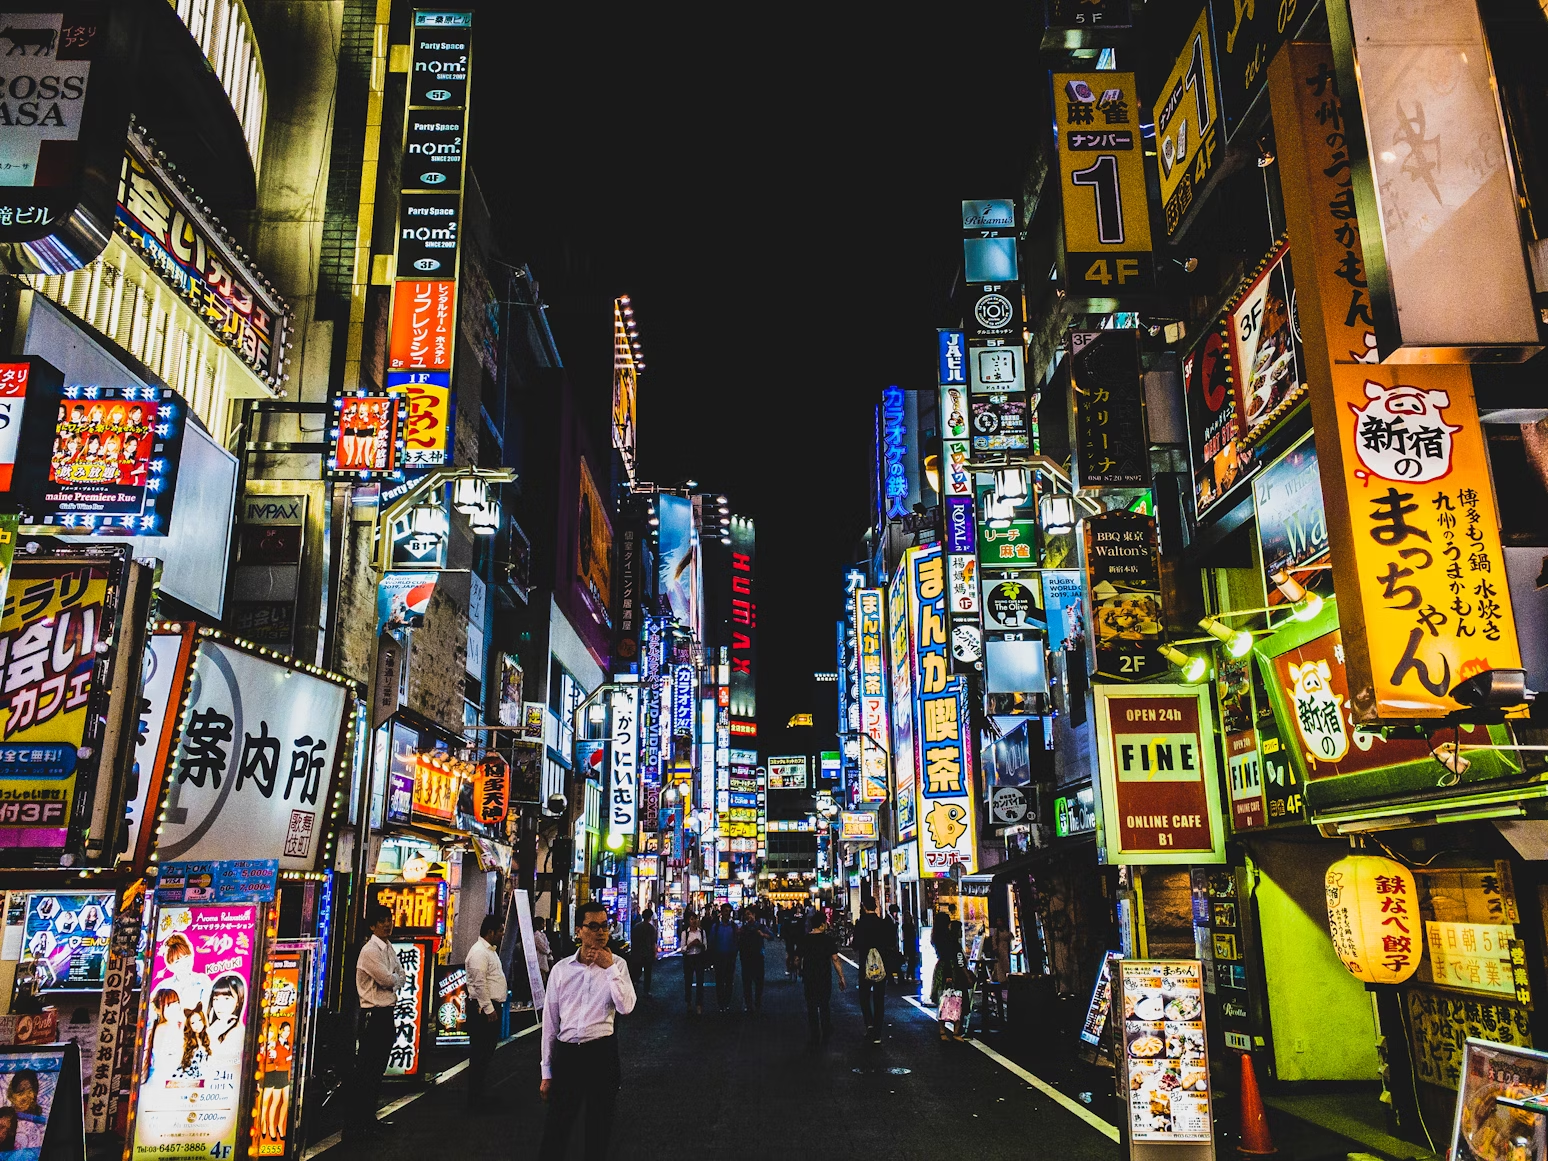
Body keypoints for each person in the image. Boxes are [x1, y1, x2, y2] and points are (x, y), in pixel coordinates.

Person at [539, 900, 636, 1161]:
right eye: (593, 926)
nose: (601, 932)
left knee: (598, 1129)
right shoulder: (561, 970)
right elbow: (550, 1023)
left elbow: (626, 1007)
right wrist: (546, 1071)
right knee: (556, 1129)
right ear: (579, 931)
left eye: (605, 926)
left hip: (601, 1053)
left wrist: (610, 969)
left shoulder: (618, 965)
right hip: (568, 1055)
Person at [346, 904, 403, 1145]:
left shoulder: (388, 947)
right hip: (373, 1015)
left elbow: (400, 975)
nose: (387, 924)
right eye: (382, 921)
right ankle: (356, 1128)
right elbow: (389, 979)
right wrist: (394, 980)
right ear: (372, 926)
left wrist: (394, 980)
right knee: (367, 1074)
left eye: (389, 919)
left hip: (386, 1014)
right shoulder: (370, 950)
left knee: (377, 1072)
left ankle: (369, 1121)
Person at [465, 913, 507, 1109]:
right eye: (499, 931)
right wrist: (489, 1009)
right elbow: (479, 984)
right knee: (480, 1054)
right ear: (490, 932)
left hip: (488, 1007)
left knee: (485, 1053)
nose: (502, 934)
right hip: (482, 1009)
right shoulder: (479, 952)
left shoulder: (489, 950)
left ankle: (478, 1094)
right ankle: (474, 1098)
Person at [798, 913, 844, 1045]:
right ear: (822, 924)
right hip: (824, 976)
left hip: (809, 977)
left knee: (811, 1005)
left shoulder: (805, 939)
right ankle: (826, 1027)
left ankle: (814, 1032)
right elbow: (835, 959)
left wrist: (798, 968)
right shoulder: (827, 940)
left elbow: (797, 958)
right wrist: (841, 977)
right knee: (824, 1004)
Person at [853, 897, 894, 1044]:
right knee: (879, 998)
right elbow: (891, 942)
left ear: (864, 907)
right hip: (881, 965)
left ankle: (869, 1024)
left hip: (865, 965)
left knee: (864, 996)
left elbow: (855, 944)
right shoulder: (883, 923)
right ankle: (877, 1033)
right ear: (876, 907)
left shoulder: (860, 924)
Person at [737, 908, 771, 1012]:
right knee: (747, 982)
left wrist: (763, 934)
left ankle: (757, 1002)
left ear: (754, 914)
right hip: (746, 958)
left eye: (749, 914)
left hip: (758, 957)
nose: (748, 916)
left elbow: (771, 936)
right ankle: (749, 1004)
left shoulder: (760, 927)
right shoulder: (743, 928)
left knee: (758, 982)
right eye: (746, 914)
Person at [706, 904, 738, 1013]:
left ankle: (727, 1002)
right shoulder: (716, 926)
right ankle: (721, 1003)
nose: (727, 913)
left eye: (729, 911)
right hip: (719, 957)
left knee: (729, 981)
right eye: (725, 911)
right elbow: (711, 942)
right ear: (721, 912)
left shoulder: (733, 926)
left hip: (730, 957)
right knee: (719, 981)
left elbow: (737, 941)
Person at [680, 913, 707, 1013]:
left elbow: (705, 946)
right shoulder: (685, 933)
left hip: (699, 958)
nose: (694, 921)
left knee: (700, 981)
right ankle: (689, 1002)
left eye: (695, 919)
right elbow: (682, 949)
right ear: (688, 921)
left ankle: (699, 1004)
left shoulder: (702, 932)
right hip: (689, 958)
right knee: (688, 981)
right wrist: (690, 945)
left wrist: (699, 944)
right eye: (692, 919)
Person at [929, 909, 956, 1004]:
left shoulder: (936, 936)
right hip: (948, 967)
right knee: (951, 995)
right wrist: (949, 975)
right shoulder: (946, 937)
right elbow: (947, 954)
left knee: (942, 997)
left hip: (940, 966)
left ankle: (943, 1015)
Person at [629, 909, 658, 995]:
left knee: (636, 971)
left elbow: (633, 939)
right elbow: (653, 942)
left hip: (637, 952)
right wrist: (655, 953)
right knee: (647, 973)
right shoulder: (651, 928)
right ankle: (646, 991)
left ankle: (634, 988)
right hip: (647, 953)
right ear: (650, 917)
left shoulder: (636, 926)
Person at [901, 906, 921, 985]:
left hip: (911, 943)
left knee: (912, 960)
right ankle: (910, 975)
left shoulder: (910, 925)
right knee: (911, 960)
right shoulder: (906, 926)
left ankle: (909, 975)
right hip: (908, 944)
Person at [781, 908, 801, 980]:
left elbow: (784, 931)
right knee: (799, 955)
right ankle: (799, 969)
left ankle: (788, 969)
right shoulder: (799, 920)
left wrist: (783, 938)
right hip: (798, 939)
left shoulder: (787, 920)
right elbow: (802, 930)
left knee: (789, 955)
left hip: (789, 940)